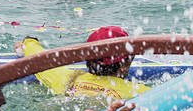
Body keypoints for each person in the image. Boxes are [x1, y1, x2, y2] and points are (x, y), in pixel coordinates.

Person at [15, 26, 150, 99]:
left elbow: (38, 58)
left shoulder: (66, 78)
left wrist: (28, 42)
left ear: (87, 60)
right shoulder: (140, 93)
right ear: (124, 63)